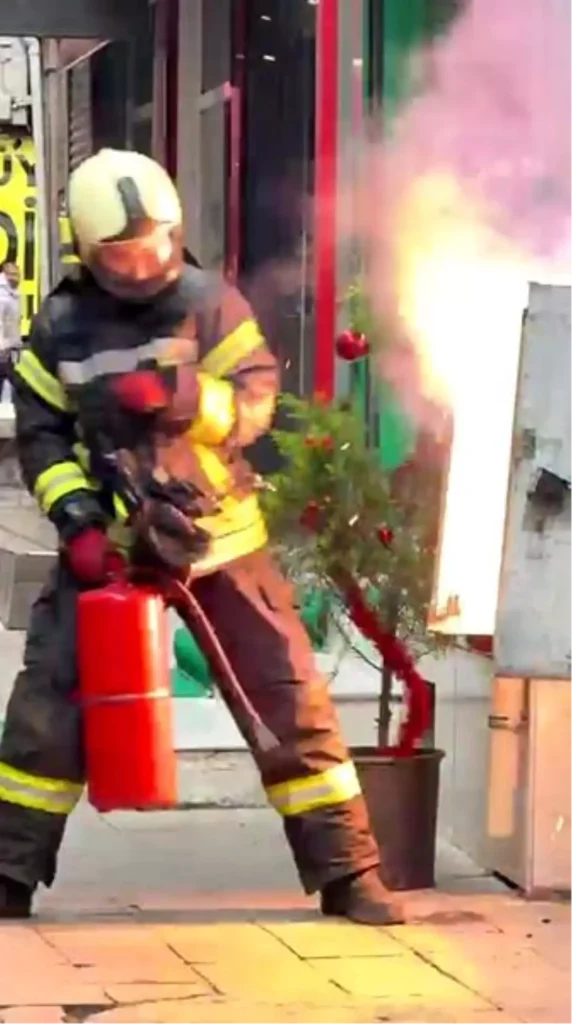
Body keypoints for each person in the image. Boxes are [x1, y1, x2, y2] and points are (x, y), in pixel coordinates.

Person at [0, 148, 403, 926]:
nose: (142, 264)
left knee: (287, 701)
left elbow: (254, 402)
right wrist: (77, 521)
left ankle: (350, 875)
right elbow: (44, 439)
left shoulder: (209, 302)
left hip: (217, 538)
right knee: (48, 708)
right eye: (122, 253)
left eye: (155, 246)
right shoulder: (59, 325)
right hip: (112, 545)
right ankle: (8, 875)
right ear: (85, 249)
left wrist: (187, 398)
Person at [0, 260, 22, 399]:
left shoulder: (12, 292)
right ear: (4, 274)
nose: (16, 278)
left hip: (9, 349)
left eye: (17, 274)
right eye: (12, 274)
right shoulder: (2, 295)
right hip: (3, 349)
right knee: (17, 382)